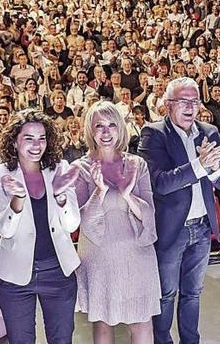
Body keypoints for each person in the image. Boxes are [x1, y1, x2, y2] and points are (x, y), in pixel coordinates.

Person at [138, 77, 220, 344]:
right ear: (168, 105)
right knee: (166, 293)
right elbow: (161, 183)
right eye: (183, 101)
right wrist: (200, 166)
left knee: (193, 293)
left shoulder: (209, 131)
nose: (191, 107)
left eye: (195, 101)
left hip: (202, 228)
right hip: (172, 231)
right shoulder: (153, 133)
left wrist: (214, 169)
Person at [0, 109, 82, 343]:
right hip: (15, 276)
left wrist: (60, 196)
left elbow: (72, 224)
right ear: (15, 141)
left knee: (61, 339)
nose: (36, 145)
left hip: (58, 272)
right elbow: (4, 230)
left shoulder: (60, 168)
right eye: (28, 138)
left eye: (42, 138)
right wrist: (17, 198)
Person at [74, 101, 160, 343]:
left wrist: (126, 193)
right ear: (90, 130)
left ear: (120, 128)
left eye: (112, 125)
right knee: (103, 323)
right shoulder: (79, 168)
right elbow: (81, 220)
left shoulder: (136, 164)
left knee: (142, 322)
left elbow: (149, 213)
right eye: (99, 125)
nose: (105, 131)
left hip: (137, 255)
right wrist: (99, 191)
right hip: (99, 256)